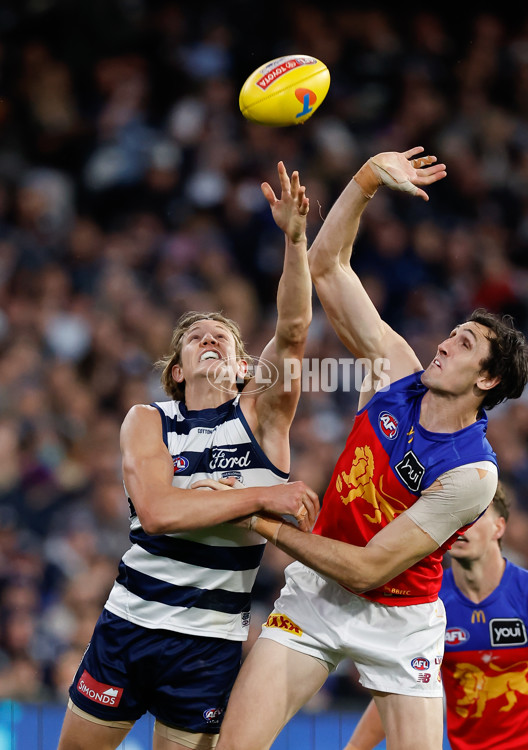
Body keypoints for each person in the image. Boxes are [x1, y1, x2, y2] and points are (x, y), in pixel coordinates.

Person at [215, 148, 528, 750]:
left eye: (464, 343)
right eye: (452, 332)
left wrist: (262, 520)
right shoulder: (396, 372)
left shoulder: (472, 475)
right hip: (317, 596)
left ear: (487, 379)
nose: (445, 343)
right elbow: (327, 266)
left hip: (400, 622)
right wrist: (365, 180)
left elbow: (369, 569)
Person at [57, 161, 320, 750]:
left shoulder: (263, 416)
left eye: (221, 336)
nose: (208, 337)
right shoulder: (148, 419)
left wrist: (295, 240)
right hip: (128, 627)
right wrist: (260, 498)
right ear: (177, 370)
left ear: (244, 367)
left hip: (208, 645)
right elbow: (158, 513)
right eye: (196, 336)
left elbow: (296, 325)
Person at [342, 482, 528, 750]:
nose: (460, 526)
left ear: (499, 527)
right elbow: (400, 689)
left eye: (473, 516)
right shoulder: (430, 606)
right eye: (455, 515)